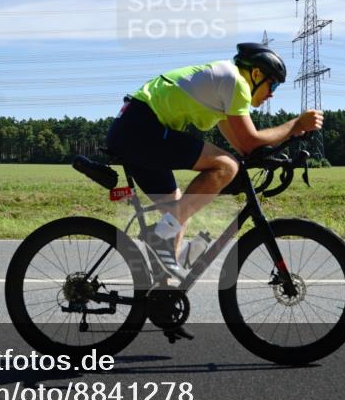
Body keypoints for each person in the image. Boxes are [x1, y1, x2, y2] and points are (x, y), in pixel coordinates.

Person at [105, 42, 324, 279]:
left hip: (132, 128)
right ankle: (158, 238)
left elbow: (245, 148)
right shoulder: (235, 82)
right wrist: (295, 125)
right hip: (142, 126)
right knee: (225, 166)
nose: (272, 93)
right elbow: (250, 142)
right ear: (256, 74)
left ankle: (162, 288)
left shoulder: (223, 92)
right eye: (274, 84)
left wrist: (280, 152)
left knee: (178, 209)